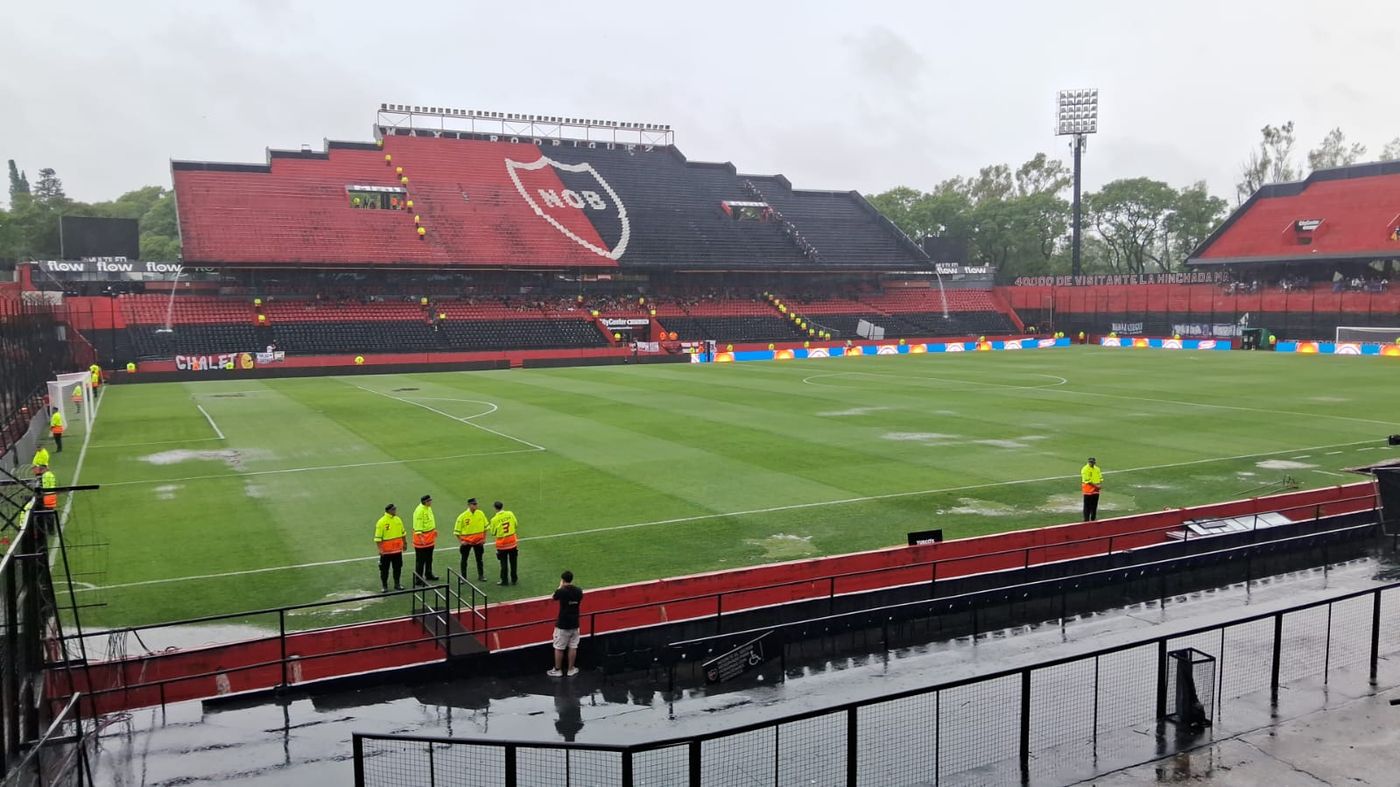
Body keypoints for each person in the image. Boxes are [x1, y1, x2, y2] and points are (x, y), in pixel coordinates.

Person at [548, 570, 583, 677]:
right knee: (573, 646)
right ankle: (571, 669)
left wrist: (560, 586)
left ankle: (558, 670)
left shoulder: (561, 591)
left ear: (562, 580)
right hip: (575, 623)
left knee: (559, 647)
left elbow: (553, 597)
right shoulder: (579, 591)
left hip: (563, 624)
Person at [454, 497, 489, 581]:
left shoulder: (480, 513)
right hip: (467, 542)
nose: (476, 506)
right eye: (474, 504)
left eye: (476, 504)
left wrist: (484, 538)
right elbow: (456, 531)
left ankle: (481, 576)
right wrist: (461, 541)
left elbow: (486, 527)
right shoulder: (462, 516)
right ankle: (463, 577)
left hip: (478, 542)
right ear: (469, 505)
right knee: (464, 560)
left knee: (479, 559)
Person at [373, 503, 406, 591]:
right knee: (384, 570)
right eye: (394, 509)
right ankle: (384, 586)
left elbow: (403, 533)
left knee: (398, 568)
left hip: (397, 550)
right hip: (386, 552)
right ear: (389, 511)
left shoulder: (398, 519)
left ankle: (397, 584)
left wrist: (405, 543)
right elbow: (377, 538)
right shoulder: (381, 522)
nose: (395, 510)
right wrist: (380, 549)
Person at [411, 495, 440, 584]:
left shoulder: (428, 508)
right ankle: (418, 579)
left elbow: (430, 521)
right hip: (422, 538)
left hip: (429, 537)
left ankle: (428, 573)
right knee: (420, 560)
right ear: (425, 502)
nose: (431, 502)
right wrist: (421, 537)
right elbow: (417, 525)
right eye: (429, 501)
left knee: (429, 558)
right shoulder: (419, 511)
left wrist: (434, 530)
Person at [490, 501, 519, 586]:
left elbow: (493, 532)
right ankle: (514, 579)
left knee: (503, 563)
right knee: (513, 562)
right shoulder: (510, 514)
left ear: (495, 508)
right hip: (512, 542)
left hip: (502, 545)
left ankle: (504, 580)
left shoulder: (494, 519)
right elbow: (516, 524)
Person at [1081, 457, 1103, 521]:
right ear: (1088, 462)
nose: (1091, 463)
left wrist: (1099, 484)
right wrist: (1096, 486)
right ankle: (1086, 519)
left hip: (1096, 490)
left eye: (1092, 462)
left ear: (1094, 462)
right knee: (1087, 505)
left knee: (1094, 505)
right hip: (1088, 489)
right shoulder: (1085, 469)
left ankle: (1093, 518)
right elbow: (1087, 480)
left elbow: (1100, 478)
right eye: (1090, 462)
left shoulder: (1097, 469)